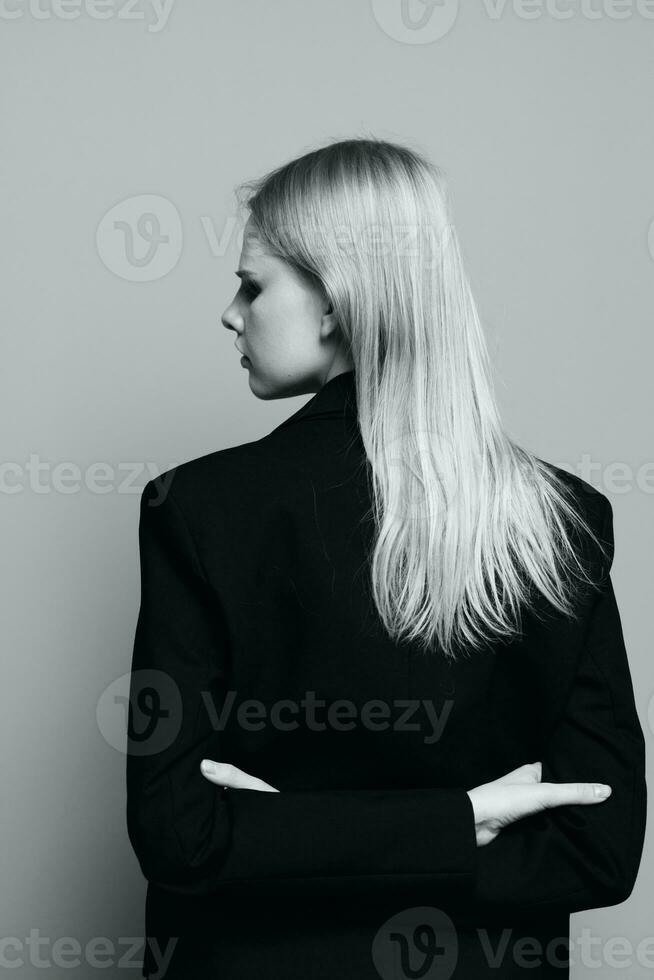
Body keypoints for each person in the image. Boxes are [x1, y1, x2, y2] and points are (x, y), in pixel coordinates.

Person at [125, 137, 647, 980]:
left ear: (334, 302)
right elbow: (180, 838)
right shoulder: (564, 517)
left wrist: (288, 835)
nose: (231, 313)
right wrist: (460, 821)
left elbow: (190, 838)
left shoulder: (198, 508)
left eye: (251, 285)